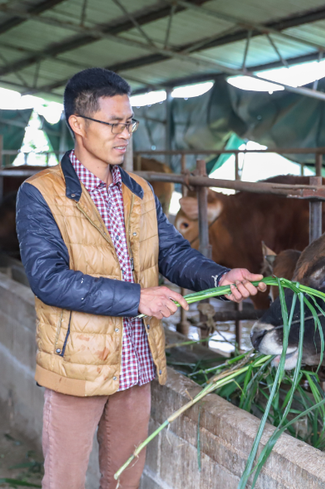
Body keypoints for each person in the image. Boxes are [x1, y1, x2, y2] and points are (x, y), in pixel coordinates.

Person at [16, 68, 266, 489]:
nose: (123, 134)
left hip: (137, 364)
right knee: (64, 481)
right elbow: (49, 279)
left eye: (128, 122)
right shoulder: (41, 193)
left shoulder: (139, 191)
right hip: (79, 366)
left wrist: (222, 274)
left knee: (124, 481)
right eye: (112, 123)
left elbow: (171, 253)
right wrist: (138, 298)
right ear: (78, 124)